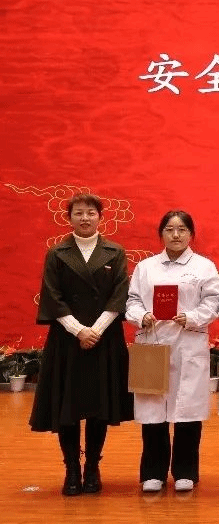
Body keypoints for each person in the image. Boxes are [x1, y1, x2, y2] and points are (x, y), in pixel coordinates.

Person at [29, 193, 133, 496]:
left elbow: (119, 295)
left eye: (90, 213)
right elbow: (53, 297)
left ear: (100, 217)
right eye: (78, 213)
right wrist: (79, 331)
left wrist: (95, 330)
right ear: (69, 218)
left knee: (99, 407)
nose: (85, 218)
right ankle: (72, 469)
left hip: (104, 338)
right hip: (67, 340)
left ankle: (93, 468)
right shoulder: (57, 252)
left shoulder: (115, 251)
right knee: (68, 407)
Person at [125, 210, 219, 492]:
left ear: (191, 234)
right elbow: (132, 301)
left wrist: (191, 317)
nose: (176, 235)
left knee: (187, 409)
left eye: (182, 229)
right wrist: (141, 316)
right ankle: (153, 472)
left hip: (187, 343)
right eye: (169, 229)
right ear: (161, 234)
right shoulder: (146, 267)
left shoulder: (204, 267)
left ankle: (185, 471)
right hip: (153, 341)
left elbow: (213, 302)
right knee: (153, 409)